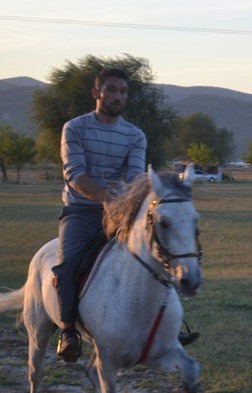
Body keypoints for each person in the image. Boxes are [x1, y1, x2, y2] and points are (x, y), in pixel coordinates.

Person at [53, 68, 198, 362]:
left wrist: (130, 204)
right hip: (81, 210)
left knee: (155, 256)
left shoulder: (134, 134)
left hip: (120, 210)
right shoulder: (74, 128)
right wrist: (113, 200)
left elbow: (134, 177)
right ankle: (68, 331)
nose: (118, 96)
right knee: (69, 265)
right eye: (112, 89)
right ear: (97, 93)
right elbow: (76, 176)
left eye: (123, 91)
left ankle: (167, 329)